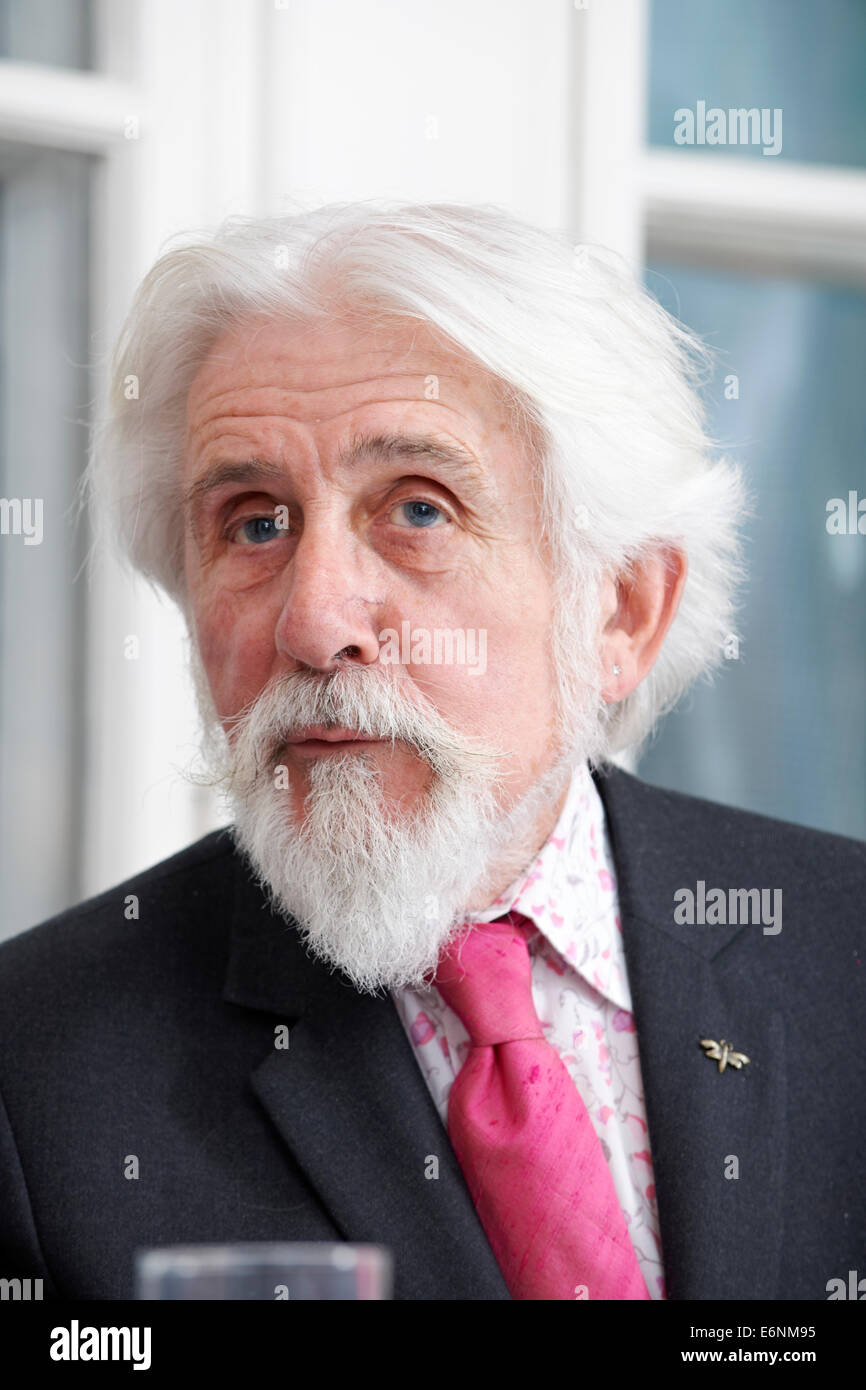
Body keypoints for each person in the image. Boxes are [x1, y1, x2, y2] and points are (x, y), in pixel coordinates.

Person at [0, 202, 862, 1301]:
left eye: (417, 507)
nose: (313, 622)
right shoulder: (32, 1081)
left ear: (620, 612)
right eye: (254, 522)